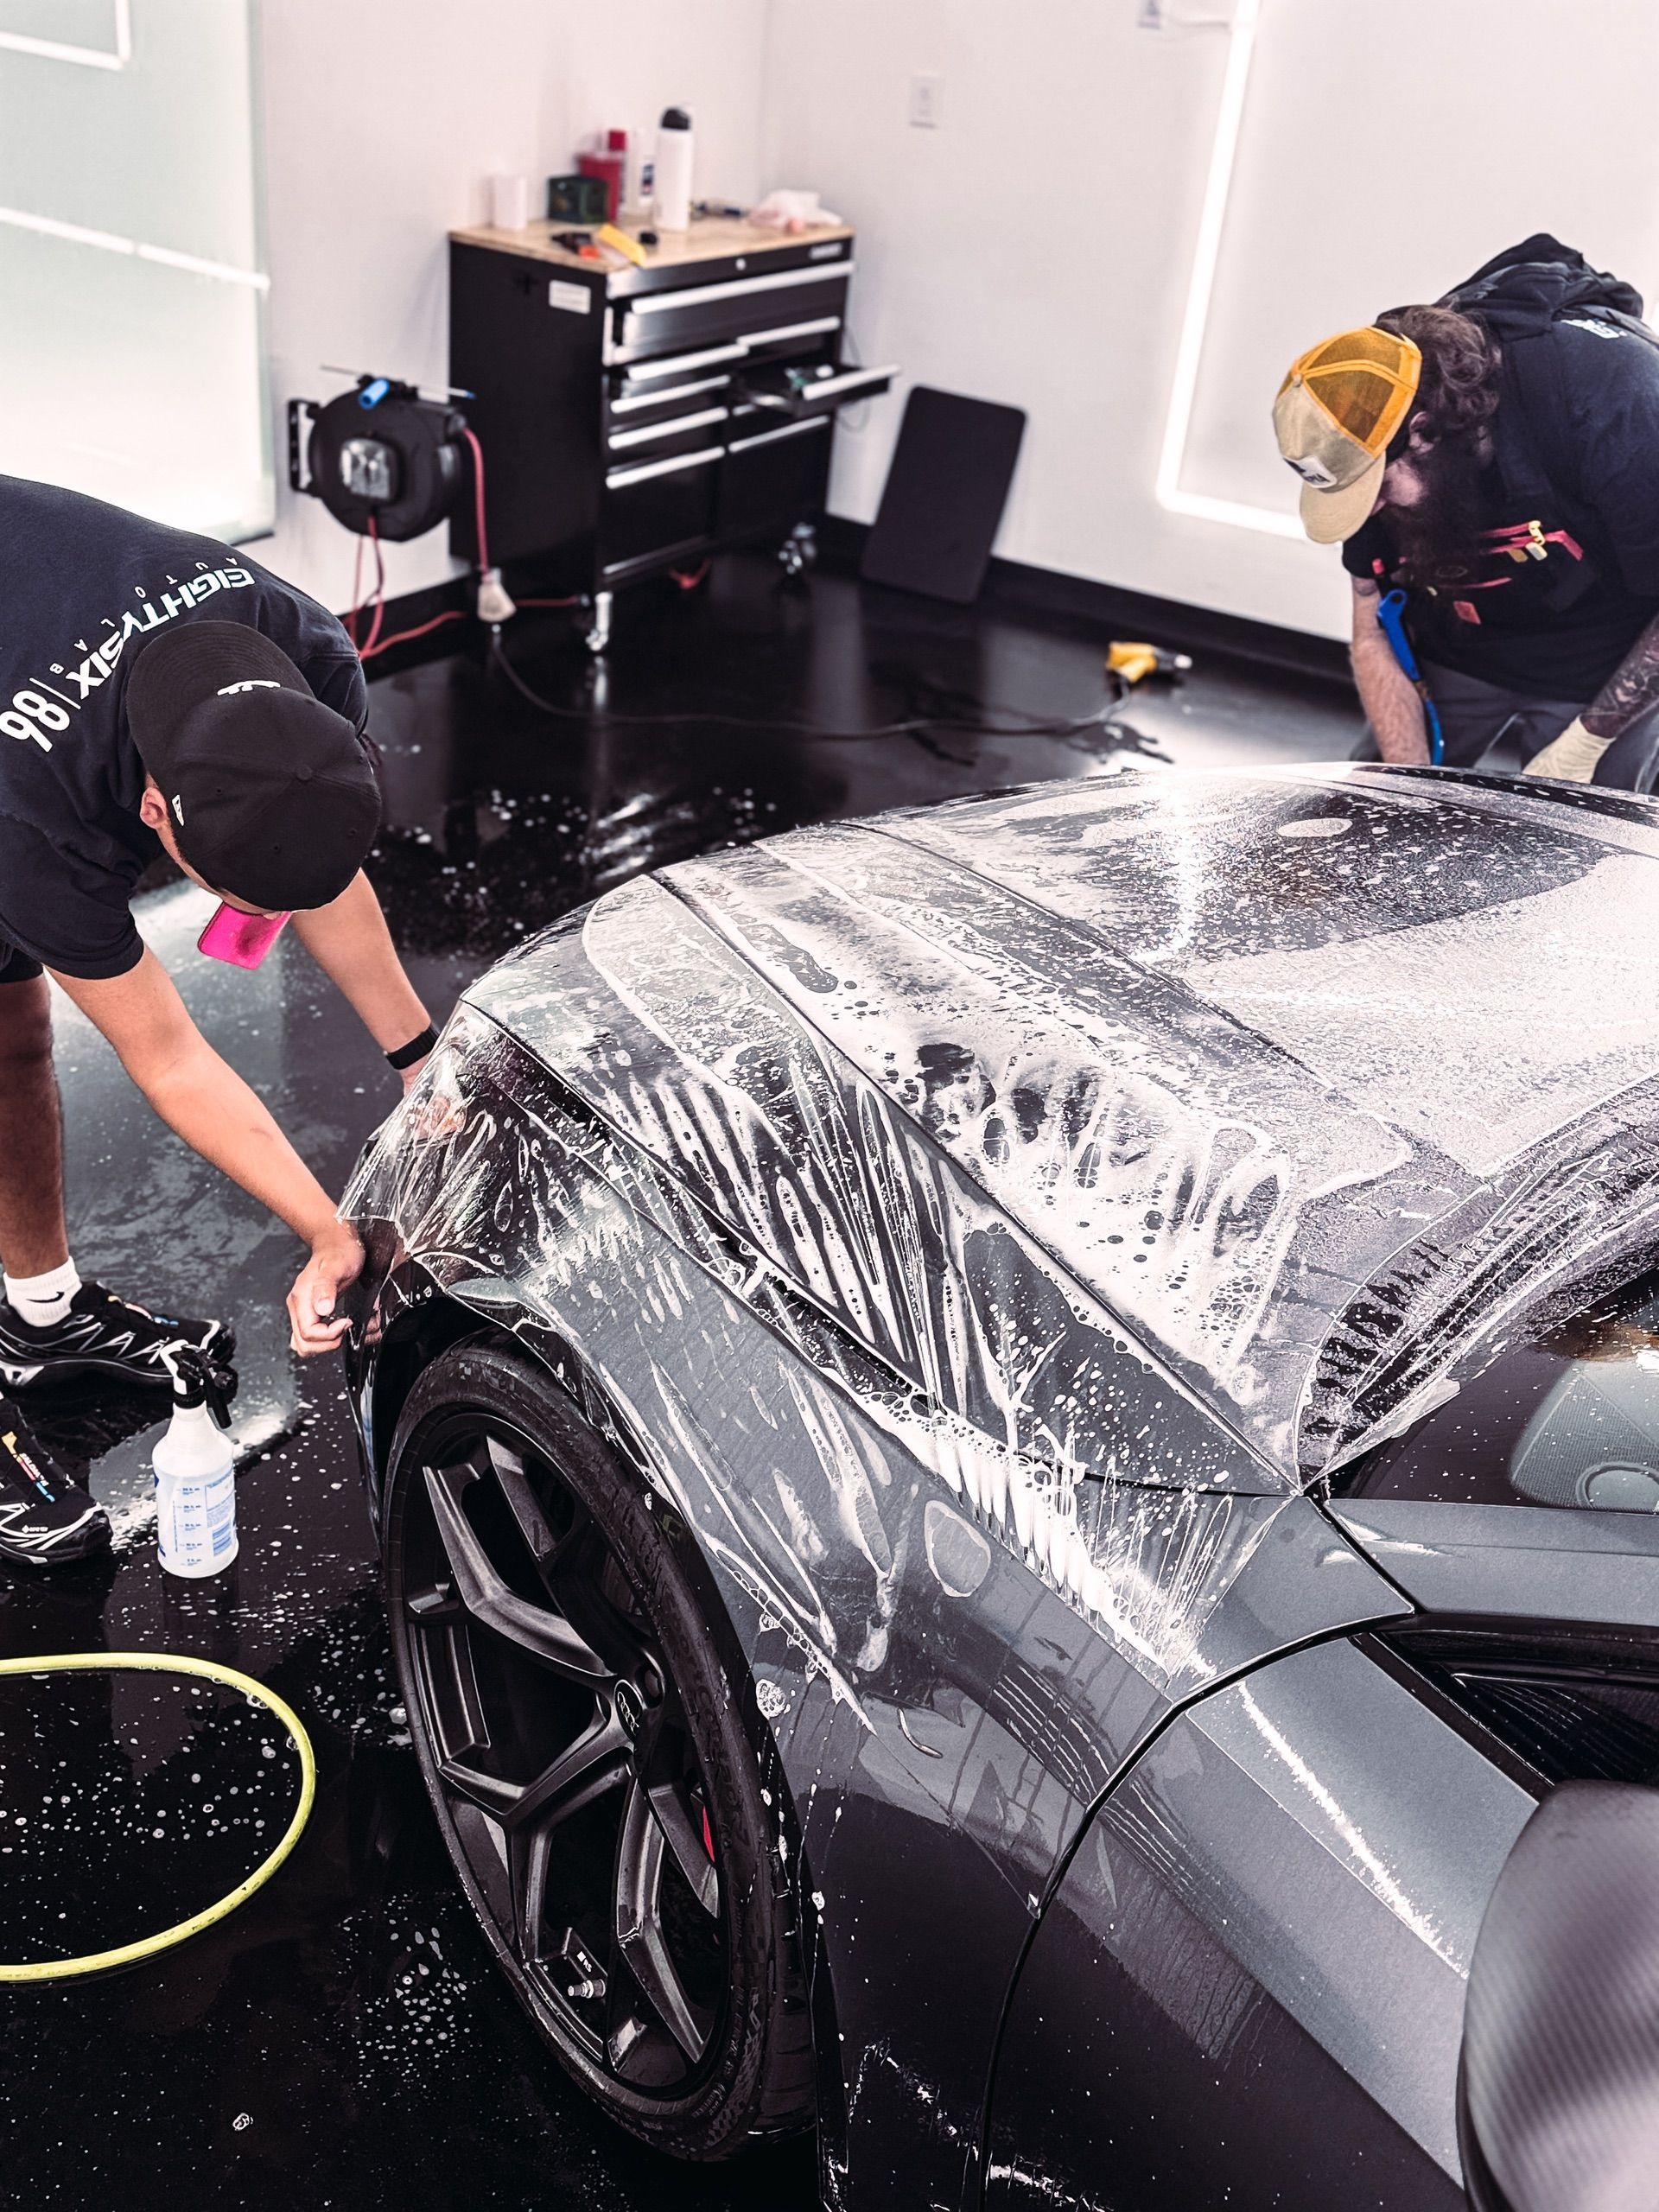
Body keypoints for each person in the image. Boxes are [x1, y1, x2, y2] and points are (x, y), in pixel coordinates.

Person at [0, 474, 437, 1567]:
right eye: (231, 890)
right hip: (16, 757)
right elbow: (168, 1052)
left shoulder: (309, 655)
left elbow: (320, 868)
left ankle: (37, 1320)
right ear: (154, 812)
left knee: (15, 1038)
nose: (256, 921)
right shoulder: (35, 817)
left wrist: (422, 1061)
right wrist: (326, 1228)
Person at [1273, 252, 1659, 785]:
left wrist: (1587, 740)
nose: (1373, 511)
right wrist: (1407, 788)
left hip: (1605, 665)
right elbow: (1371, 619)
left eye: (1377, 490)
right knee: (1373, 812)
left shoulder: (1615, 397)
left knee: (1595, 848)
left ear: (1425, 433)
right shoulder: (1361, 436)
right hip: (1460, 642)